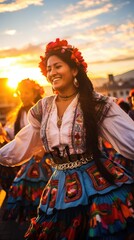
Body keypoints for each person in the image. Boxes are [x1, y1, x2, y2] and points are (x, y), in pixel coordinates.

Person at [0, 38, 134, 240]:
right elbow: (22, 143)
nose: (52, 72)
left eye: (57, 66)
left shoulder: (96, 103)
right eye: (48, 68)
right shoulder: (42, 109)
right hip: (59, 186)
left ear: (74, 70)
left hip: (96, 183)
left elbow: (129, 138)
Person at [0, 79, 52, 223]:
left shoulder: (41, 111)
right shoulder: (18, 113)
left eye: (26, 92)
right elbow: (15, 135)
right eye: (21, 92)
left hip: (42, 156)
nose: (23, 95)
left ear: (35, 93)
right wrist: (3, 132)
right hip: (27, 157)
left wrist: (42, 149)